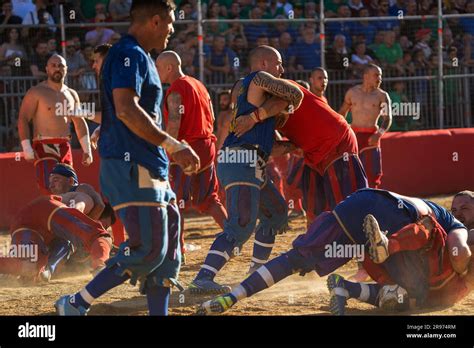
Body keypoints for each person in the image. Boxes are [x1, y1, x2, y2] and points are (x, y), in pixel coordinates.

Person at [55, 0, 200, 317]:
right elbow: (125, 109)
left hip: (151, 163)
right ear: (156, 21)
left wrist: (166, 151)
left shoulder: (143, 57)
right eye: (172, 24)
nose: (173, 30)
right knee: (148, 250)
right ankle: (76, 303)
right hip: (130, 163)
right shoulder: (128, 53)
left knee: (169, 249)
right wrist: (174, 145)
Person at [197, 188, 470, 315]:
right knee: (417, 289)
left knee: (295, 260)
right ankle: (390, 245)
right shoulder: (453, 224)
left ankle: (232, 298)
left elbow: (369, 268)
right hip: (393, 219)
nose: (458, 212)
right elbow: (458, 252)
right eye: (457, 207)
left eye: (464, 208)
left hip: (356, 205)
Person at [189, 45, 303, 294]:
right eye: (278, 63)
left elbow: (268, 147)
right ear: (263, 63)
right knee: (241, 224)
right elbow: (295, 94)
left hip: (250, 161)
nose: (282, 69)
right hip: (241, 160)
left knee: (276, 212)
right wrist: (260, 115)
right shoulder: (259, 78)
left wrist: (292, 144)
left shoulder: (254, 97)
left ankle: (255, 272)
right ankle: (203, 278)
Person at [156, 50, 228, 258]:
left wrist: (167, 148)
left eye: (159, 68)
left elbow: (174, 123)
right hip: (207, 145)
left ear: (169, 67)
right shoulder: (199, 85)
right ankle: (233, 238)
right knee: (210, 200)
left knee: (173, 201)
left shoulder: (176, 89)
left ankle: (177, 250)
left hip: (186, 148)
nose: (157, 72)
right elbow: (212, 116)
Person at [18, 54, 93, 194]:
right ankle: (47, 214)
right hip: (43, 145)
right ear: (47, 69)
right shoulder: (36, 92)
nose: (57, 68)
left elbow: (79, 121)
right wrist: (26, 148)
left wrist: (87, 150)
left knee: (68, 187)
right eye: (53, 65)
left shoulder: (72, 94)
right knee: (49, 185)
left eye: (61, 66)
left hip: (65, 145)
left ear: (66, 69)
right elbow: (23, 118)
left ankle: (63, 215)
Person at [339, 64, 392, 189]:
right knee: (350, 171)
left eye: (380, 76)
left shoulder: (382, 96)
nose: (380, 78)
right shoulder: (352, 93)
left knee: (372, 174)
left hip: (371, 137)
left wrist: (378, 134)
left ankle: (372, 203)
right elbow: (342, 113)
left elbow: (387, 118)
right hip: (354, 136)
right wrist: (342, 132)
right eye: (376, 75)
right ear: (366, 76)